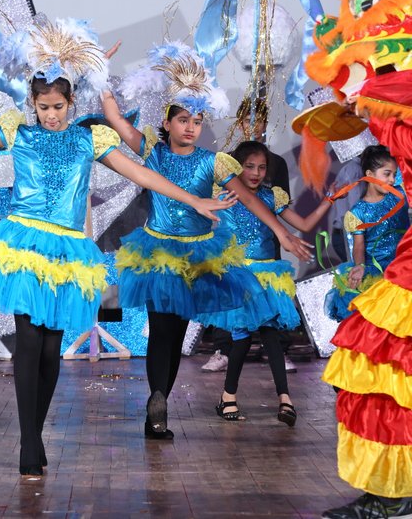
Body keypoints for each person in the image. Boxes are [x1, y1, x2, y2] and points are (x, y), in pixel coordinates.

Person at [0, 26, 234, 476]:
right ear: (33, 104)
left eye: (58, 107)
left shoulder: (88, 139)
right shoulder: (20, 133)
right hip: (24, 246)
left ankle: (36, 431)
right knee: (29, 343)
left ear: (72, 102)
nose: (51, 115)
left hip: (67, 252)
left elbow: (142, 175)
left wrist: (193, 200)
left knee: (50, 350)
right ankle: (28, 441)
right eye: (44, 108)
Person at [104, 42, 312, 441]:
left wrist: (282, 230)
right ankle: (157, 403)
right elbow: (114, 118)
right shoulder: (151, 151)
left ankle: (158, 405)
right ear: (167, 123)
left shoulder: (212, 161)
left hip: (197, 257)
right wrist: (102, 78)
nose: (190, 127)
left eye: (197, 121)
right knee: (164, 332)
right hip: (159, 254)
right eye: (183, 119)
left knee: (171, 334)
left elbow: (250, 198)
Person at [214, 141, 335, 425]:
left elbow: (303, 225)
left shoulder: (271, 197)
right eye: (249, 167)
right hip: (240, 275)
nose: (256, 173)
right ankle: (228, 396)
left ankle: (285, 399)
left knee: (271, 336)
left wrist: (329, 200)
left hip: (269, 275)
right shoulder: (225, 196)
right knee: (241, 338)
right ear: (237, 168)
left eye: (262, 167)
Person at [202, 98, 297, 374]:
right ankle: (223, 349)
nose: (254, 125)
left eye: (259, 120)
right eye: (248, 120)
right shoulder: (225, 161)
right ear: (239, 122)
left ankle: (277, 349)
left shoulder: (277, 162)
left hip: (266, 241)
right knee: (229, 296)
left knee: (271, 296)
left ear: (266, 124)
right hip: (232, 242)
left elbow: (281, 205)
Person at [324, 145, 408, 322]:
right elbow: (359, 246)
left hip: (404, 265)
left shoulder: (400, 194)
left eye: (394, 174)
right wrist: (360, 265)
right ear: (369, 174)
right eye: (387, 174)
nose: (392, 179)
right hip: (378, 271)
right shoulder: (358, 212)